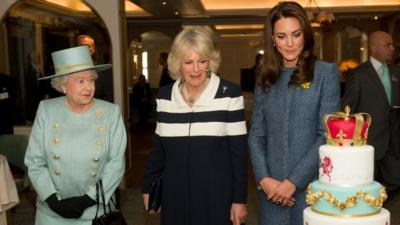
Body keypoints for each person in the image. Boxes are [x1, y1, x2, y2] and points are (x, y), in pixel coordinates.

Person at [142, 26, 248, 225]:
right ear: (177, 64)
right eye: (188, 62)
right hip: (174, 194)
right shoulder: (165, 96)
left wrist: (239, 200)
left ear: (210, 61)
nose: (196, 69)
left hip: (216, 196)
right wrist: (148, 187)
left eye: (202, 61)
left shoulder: (229, 94)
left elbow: (238, 155)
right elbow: (158, 149)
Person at [248, 2, 340, 225]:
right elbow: (256, 134)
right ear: (272, 39)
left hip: (311, 190)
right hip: (271, 191)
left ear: (305, 35)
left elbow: (326, 134)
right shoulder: (265, 76)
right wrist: (264, 179)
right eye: (281, 36)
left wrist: (292, 182)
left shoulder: (325, 73)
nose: (289, 44)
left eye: (295, 34)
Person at [24, 46, 127, 225]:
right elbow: (35, 161)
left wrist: (86, 200)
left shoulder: (110, 113)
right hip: (52, 214)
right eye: (80, 81)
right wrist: (53, 201)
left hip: (95, 212)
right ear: (63, 85)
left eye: (91, 80)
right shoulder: (46, 110)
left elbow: (116, 163)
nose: (88, 87)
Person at [342, 31, 400, 194]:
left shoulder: (396, 72)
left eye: (392, 45)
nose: (392, 49)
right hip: (369, 143)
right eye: (387, 45)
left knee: (395, 180)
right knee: (367, 186)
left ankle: (380, 204)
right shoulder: (359, 74)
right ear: (374, 48)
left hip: (394, 143)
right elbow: (348, 109)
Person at [77, 34, 114, 102]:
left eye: (88, 46)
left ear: (93, 50)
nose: (84, 49)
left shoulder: (104, 71)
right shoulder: (70, 72)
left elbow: (109, 97)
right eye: (81, 46)